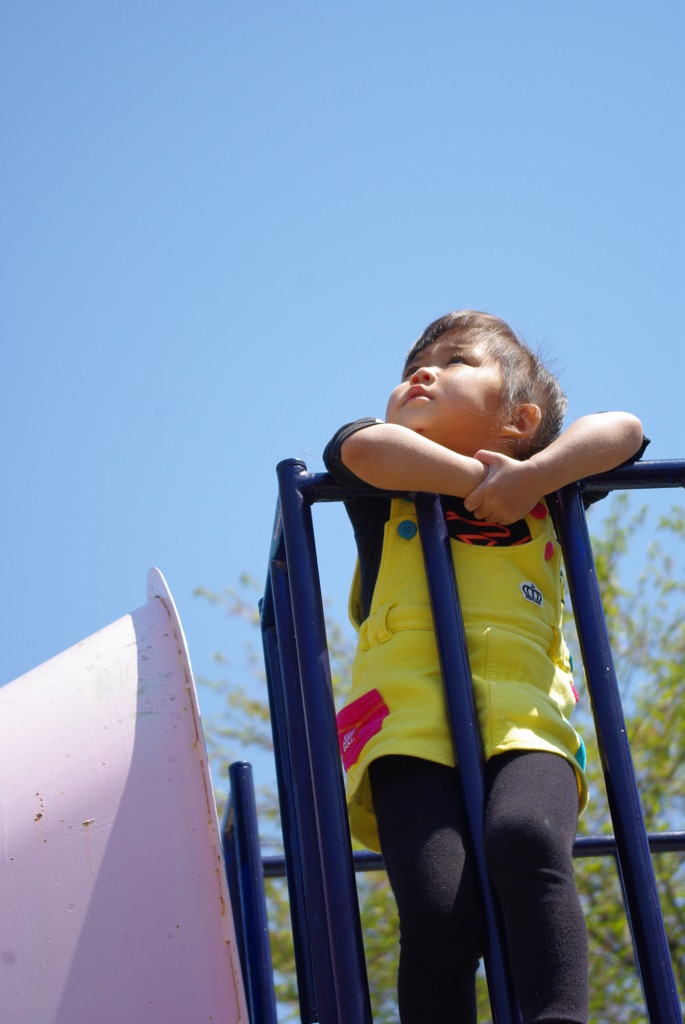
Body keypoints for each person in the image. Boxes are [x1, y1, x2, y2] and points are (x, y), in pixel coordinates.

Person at [323, 310, 646, 1024]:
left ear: (518, 419)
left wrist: (535, 477)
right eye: (416, 362)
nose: (423, 370)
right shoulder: (386, 490)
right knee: (441, 905)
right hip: (405, 724)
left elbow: (624, 430)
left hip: (529, 716)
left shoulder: (551, 493)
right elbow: (359, 450)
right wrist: (479, 479)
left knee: (525, 839)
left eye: (457, 361)